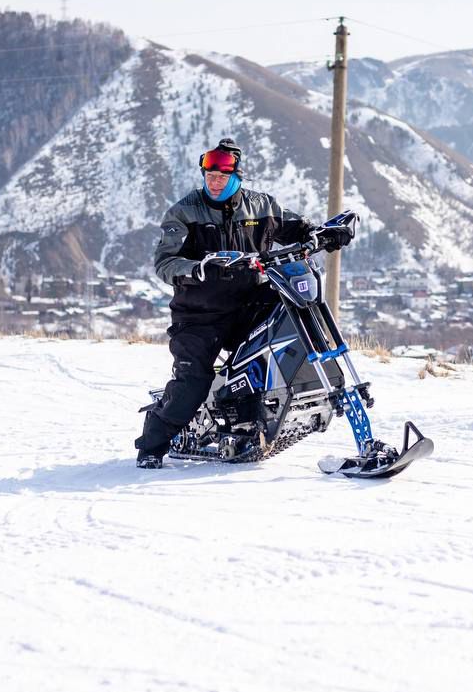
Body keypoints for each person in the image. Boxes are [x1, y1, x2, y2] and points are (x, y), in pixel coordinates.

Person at [134, 138, 353, 468]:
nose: (215, 182)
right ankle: (152, 444)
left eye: (222, 176)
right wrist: (199, 268)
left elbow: (298, 229)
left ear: (237, 176)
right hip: (200, 313)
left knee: (291, 328)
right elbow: (165, 263)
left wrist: (326, 233)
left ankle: (257, 417)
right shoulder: (185, 212)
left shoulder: (260, 206)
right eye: (209, 176)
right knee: (193, 383)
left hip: (250, 306)